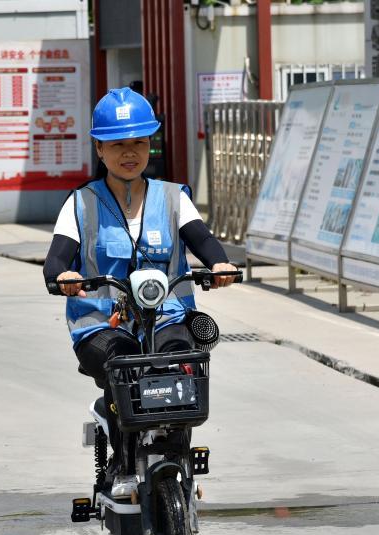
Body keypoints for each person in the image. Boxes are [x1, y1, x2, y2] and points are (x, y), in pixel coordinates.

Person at [43, 87, 238, 478]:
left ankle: (177, 454)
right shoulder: (80, 203)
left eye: (139, 142)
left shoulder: (172, 198)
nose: (129, 153)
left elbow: (202, 239)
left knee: (183, 362)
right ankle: (123, 458)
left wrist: (220, 264)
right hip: (101, 324)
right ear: (100, 149)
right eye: (117, 145)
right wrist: (63, 276)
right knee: (125, 367)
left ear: (151, 145)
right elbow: (57, 258)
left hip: (167, 317)